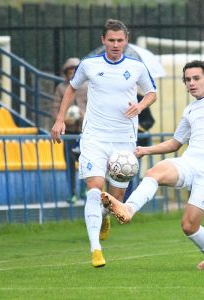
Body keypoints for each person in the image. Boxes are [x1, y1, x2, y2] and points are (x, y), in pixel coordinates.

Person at [100, 60, 204, 270]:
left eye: (196, 78)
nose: (191, 83)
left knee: (189, 226)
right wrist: (146, 150)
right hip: (190, 161)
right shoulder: (190, 110)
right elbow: (175, 143)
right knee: (154, 172)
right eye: (187, 80)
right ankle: (128, 209)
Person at [51, 19, 157, 268]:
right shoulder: (89, 65)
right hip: (94, 137)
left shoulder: (137, 67)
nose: (116, 45)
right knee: (94, 189)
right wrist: (59, 120)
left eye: (120, 40)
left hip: (124, 140)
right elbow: (70, 89)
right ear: (103, 41)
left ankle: (105, 217)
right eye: (111, 40)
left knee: (115, 197)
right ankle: (95, 250)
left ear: (126, 41)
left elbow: (152, 92)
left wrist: (140, 105)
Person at [52, 57, 88, 203]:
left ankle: (85, 189)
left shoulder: (87, 86)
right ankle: (72, 193)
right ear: (66, 73)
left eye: (75, 70)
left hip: (85, 132)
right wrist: (62, 120)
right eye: (70, 71)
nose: (72, 74)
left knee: (86, 162)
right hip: (69, 133)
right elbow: (55, 107)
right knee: (70, 162)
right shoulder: (61, 88)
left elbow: (94, 106)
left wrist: (83, 115)